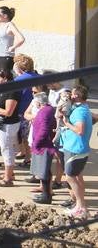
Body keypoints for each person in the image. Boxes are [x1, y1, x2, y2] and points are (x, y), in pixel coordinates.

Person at [60, 83, 92, 219]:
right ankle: (81, 206)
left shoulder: (80, 111)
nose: (70, 96)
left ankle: (81, 207)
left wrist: (67, 124)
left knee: (70, 177)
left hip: (76, 149)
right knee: (77, 176)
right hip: (76, 148)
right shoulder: (82, 108)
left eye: (72, 94)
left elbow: (80, 130)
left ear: (77, 96)